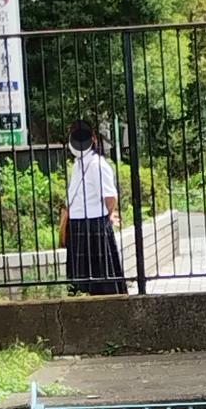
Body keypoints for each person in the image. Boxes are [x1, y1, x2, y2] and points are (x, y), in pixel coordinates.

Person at [58, 119, 127, 296]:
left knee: (99, 278)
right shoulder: (77, 164)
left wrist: (107, 214)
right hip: (80, 224)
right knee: (87, 277)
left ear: (93, 139)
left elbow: (110, 197)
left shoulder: (97, 164)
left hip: (94, 224)